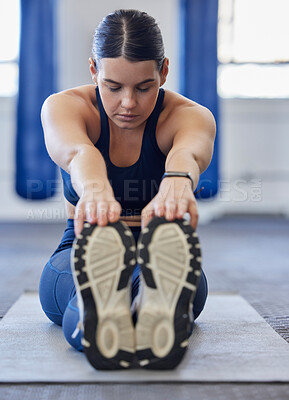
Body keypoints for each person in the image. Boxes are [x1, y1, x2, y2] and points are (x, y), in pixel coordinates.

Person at [39, 9, 216, 371]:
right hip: (81, 248)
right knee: (85, 293)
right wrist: (93, 187)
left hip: (161, 252)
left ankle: (146, 303)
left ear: (163, 71)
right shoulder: (65, 107)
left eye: (144, 87)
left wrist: (179, 180)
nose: (128, 103)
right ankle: (124, 311)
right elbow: (77, 152)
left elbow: (189, 151)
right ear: (94, 71)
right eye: (113, 86)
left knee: (183, 288)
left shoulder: (189, 115)